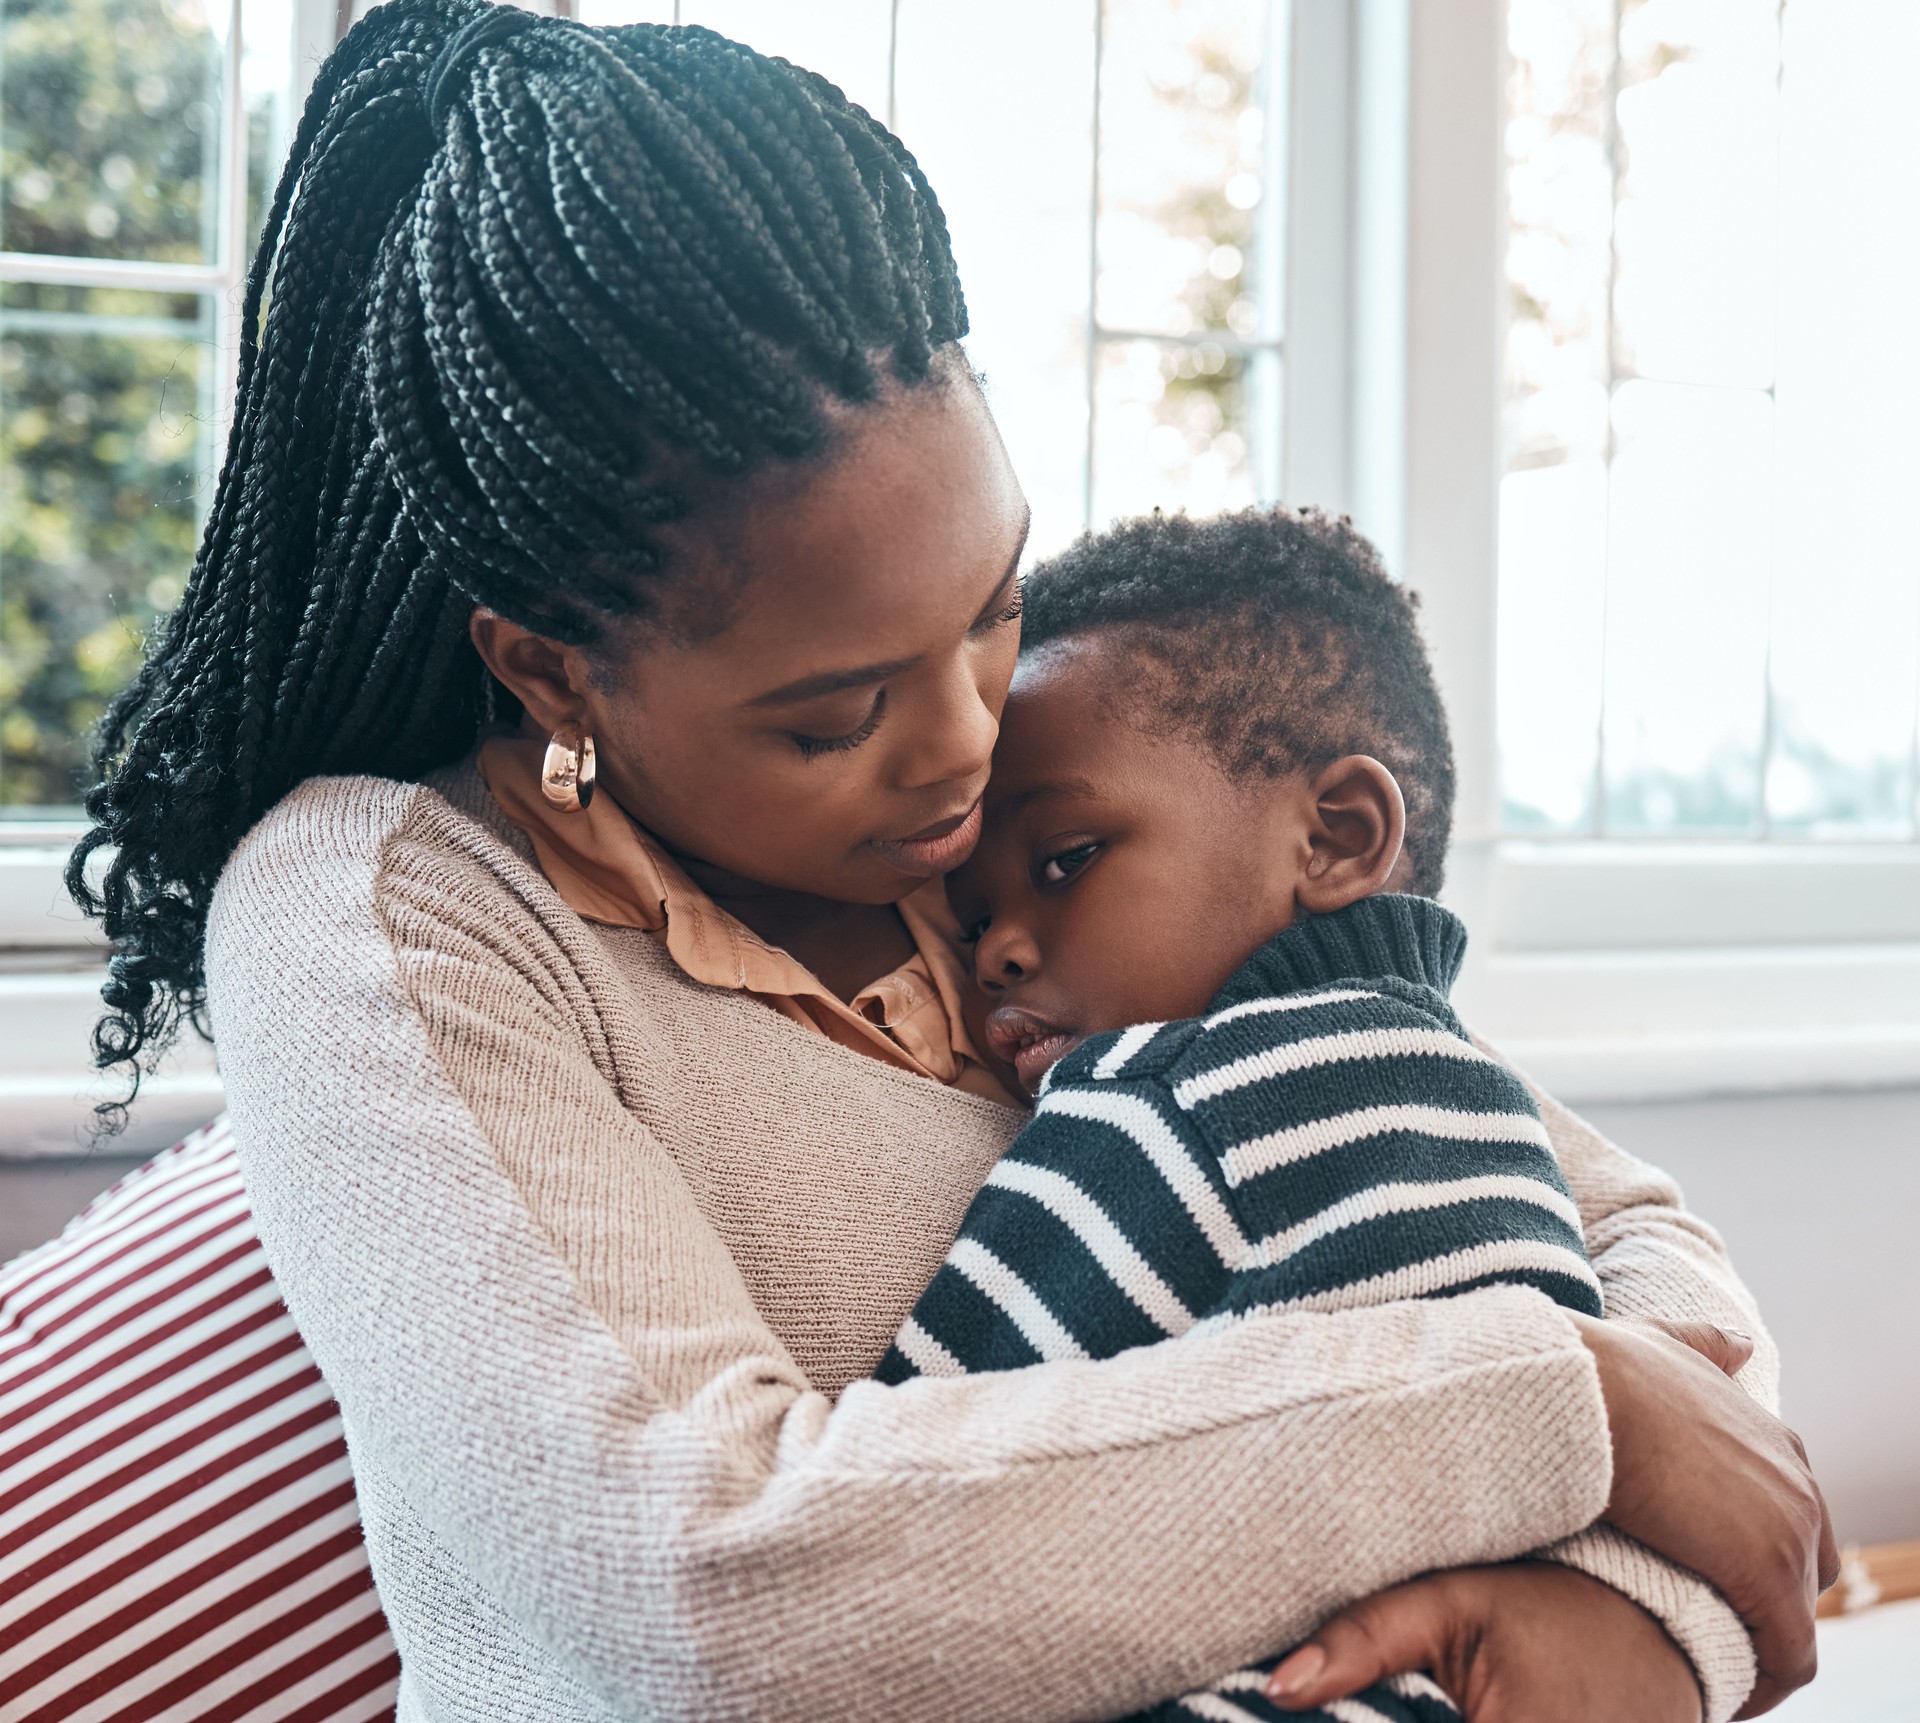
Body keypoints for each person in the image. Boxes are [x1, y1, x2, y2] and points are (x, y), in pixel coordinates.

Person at [65, 4, 1832, 1719]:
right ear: (552, 669)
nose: (962, 746)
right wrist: (1553, 1405)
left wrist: (1640, 1626)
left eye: (992, 609)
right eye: (835, 713)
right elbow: (719, 1587)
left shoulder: (1022, 843)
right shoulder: (388, 914)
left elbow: (1606, 1224)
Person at [879, 506, 1609, 1721]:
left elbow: (912, 1485)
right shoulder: (1493, 1107)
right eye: (974, 918)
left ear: (1336, 837)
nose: (997, 950)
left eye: (1066, 857)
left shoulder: (1162, 1103)